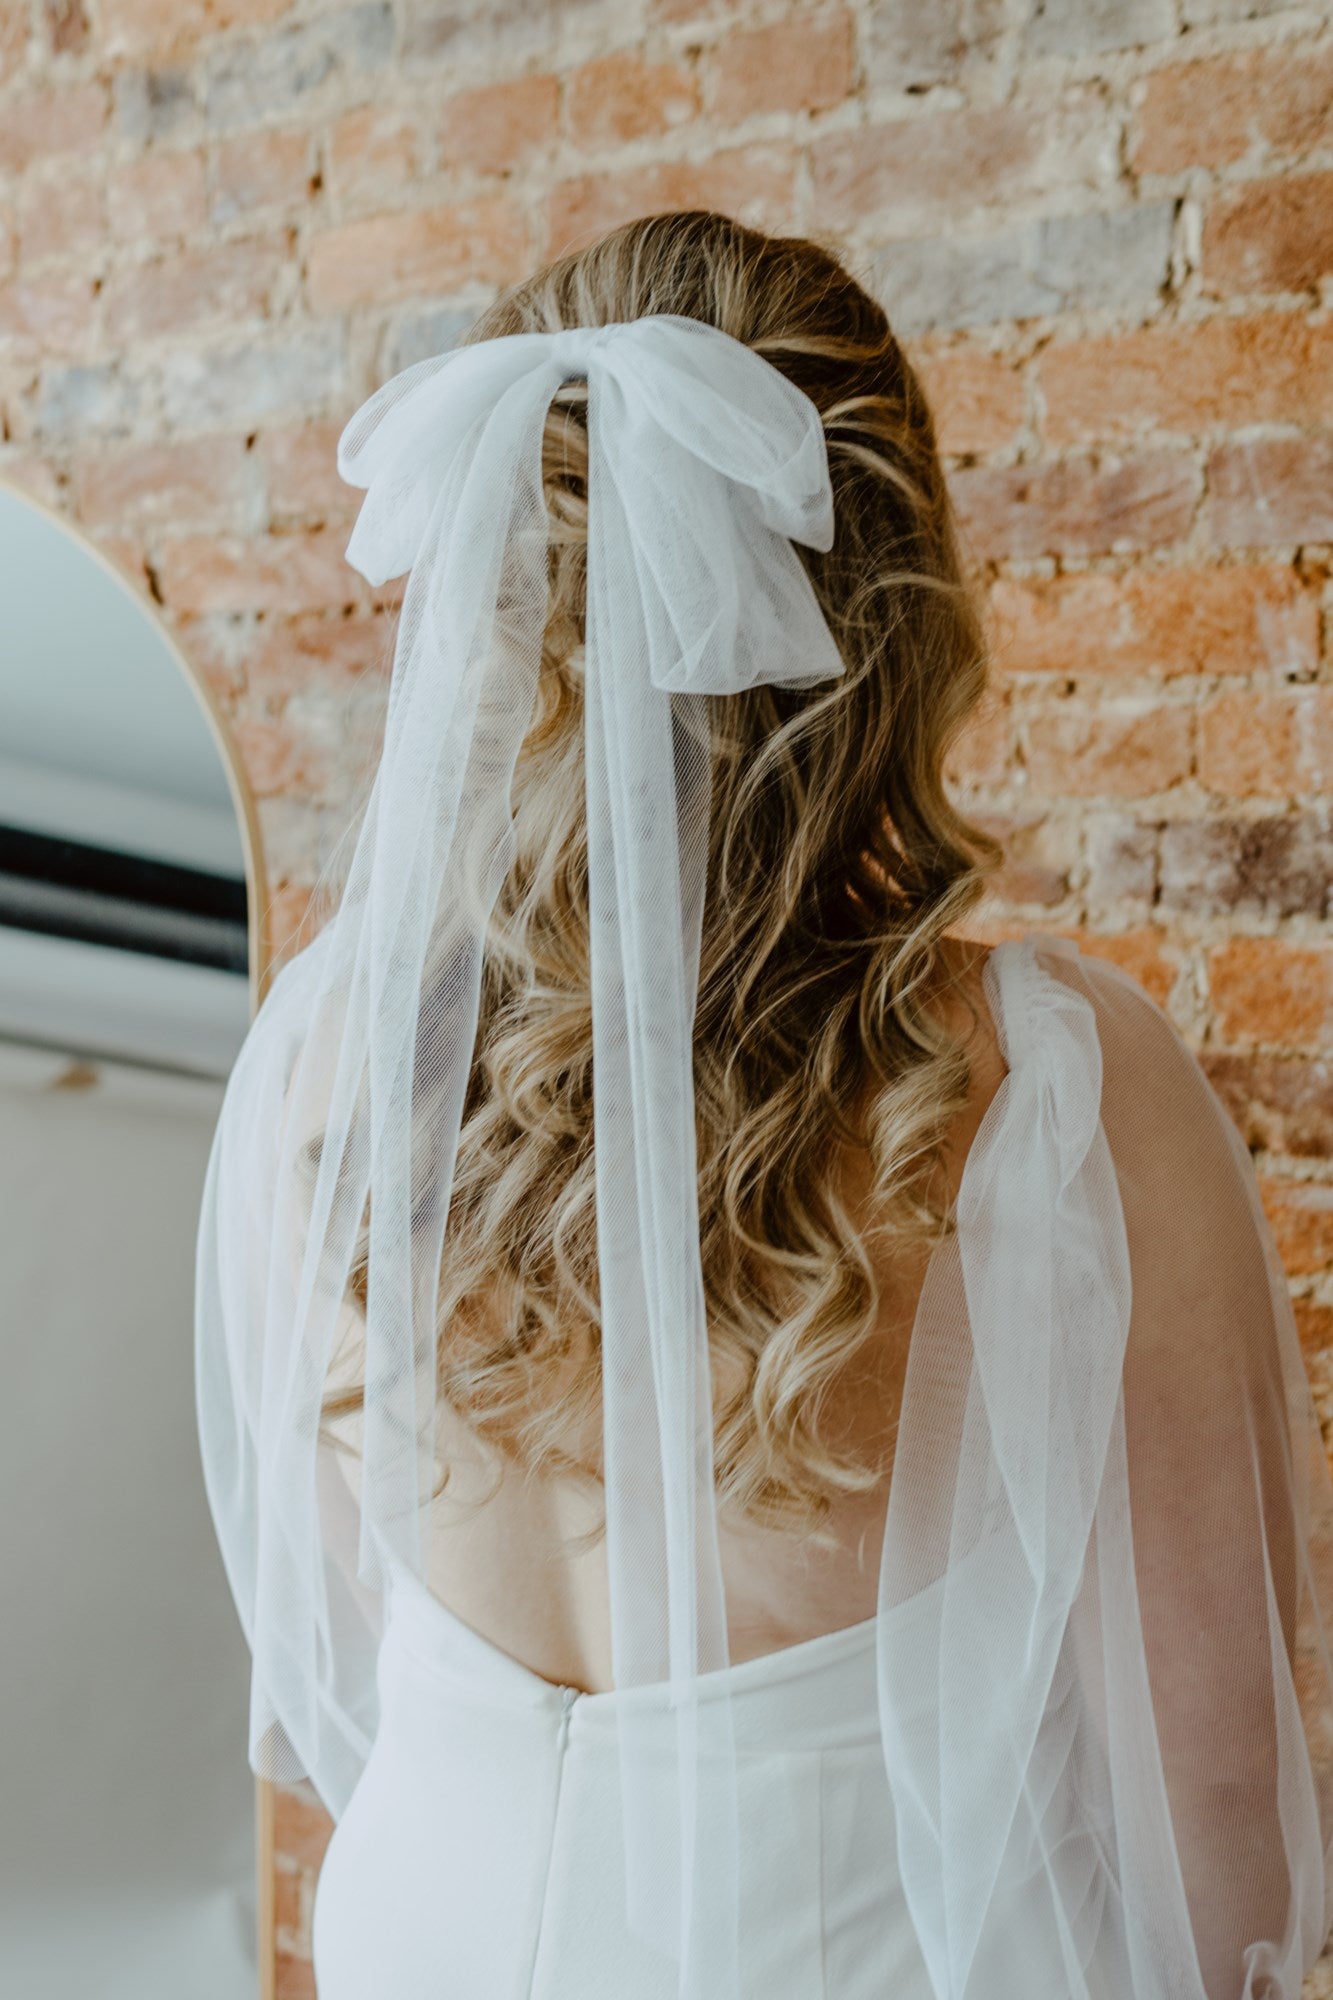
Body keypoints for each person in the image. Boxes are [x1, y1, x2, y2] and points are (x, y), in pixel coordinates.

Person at [194, 211, 1333, 2000]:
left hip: (422, 1931)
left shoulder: (335, 1056)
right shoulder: (1052, 1093)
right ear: (890, 621)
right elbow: (1217, 1810)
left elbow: (343, 1629)